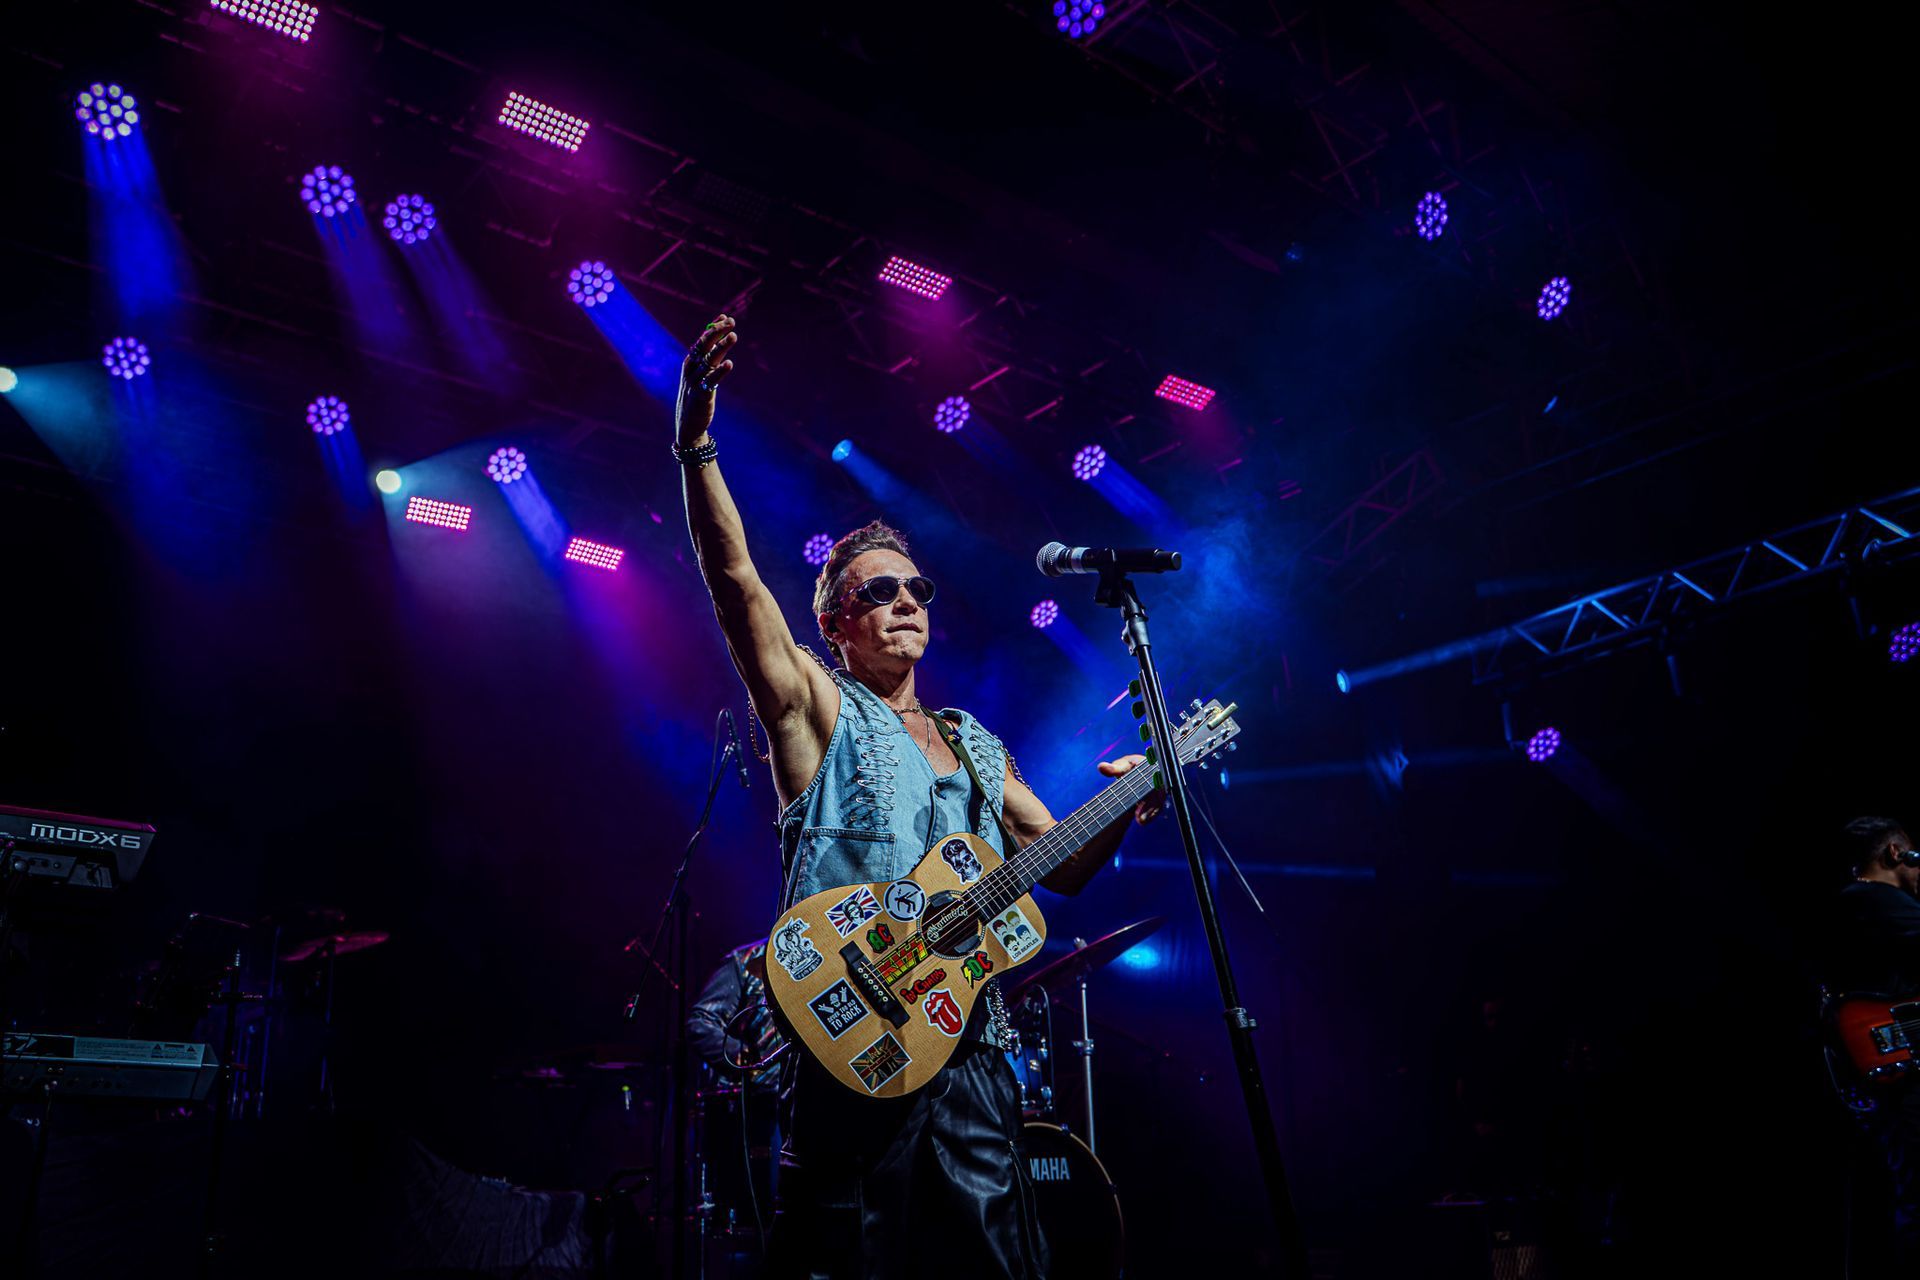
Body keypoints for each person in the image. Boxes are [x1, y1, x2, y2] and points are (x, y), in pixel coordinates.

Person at [673, 314, 1159, 1279]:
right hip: (850, 1035)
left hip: (970, 1048)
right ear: (834, 621)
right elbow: (735, 581)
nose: (905, 601)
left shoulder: (976, 744)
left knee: (999, 1266)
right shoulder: (817, 708)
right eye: (878, 590)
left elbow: (1057, 865)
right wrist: (695, 442)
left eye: (917, 589)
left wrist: (1135, 798)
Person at [1821, 816, 1920, 1267]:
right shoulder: (1874, 898)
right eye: (1914, 859)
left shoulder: (1859, 903)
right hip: (1903, 1075)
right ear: (1896, 853)